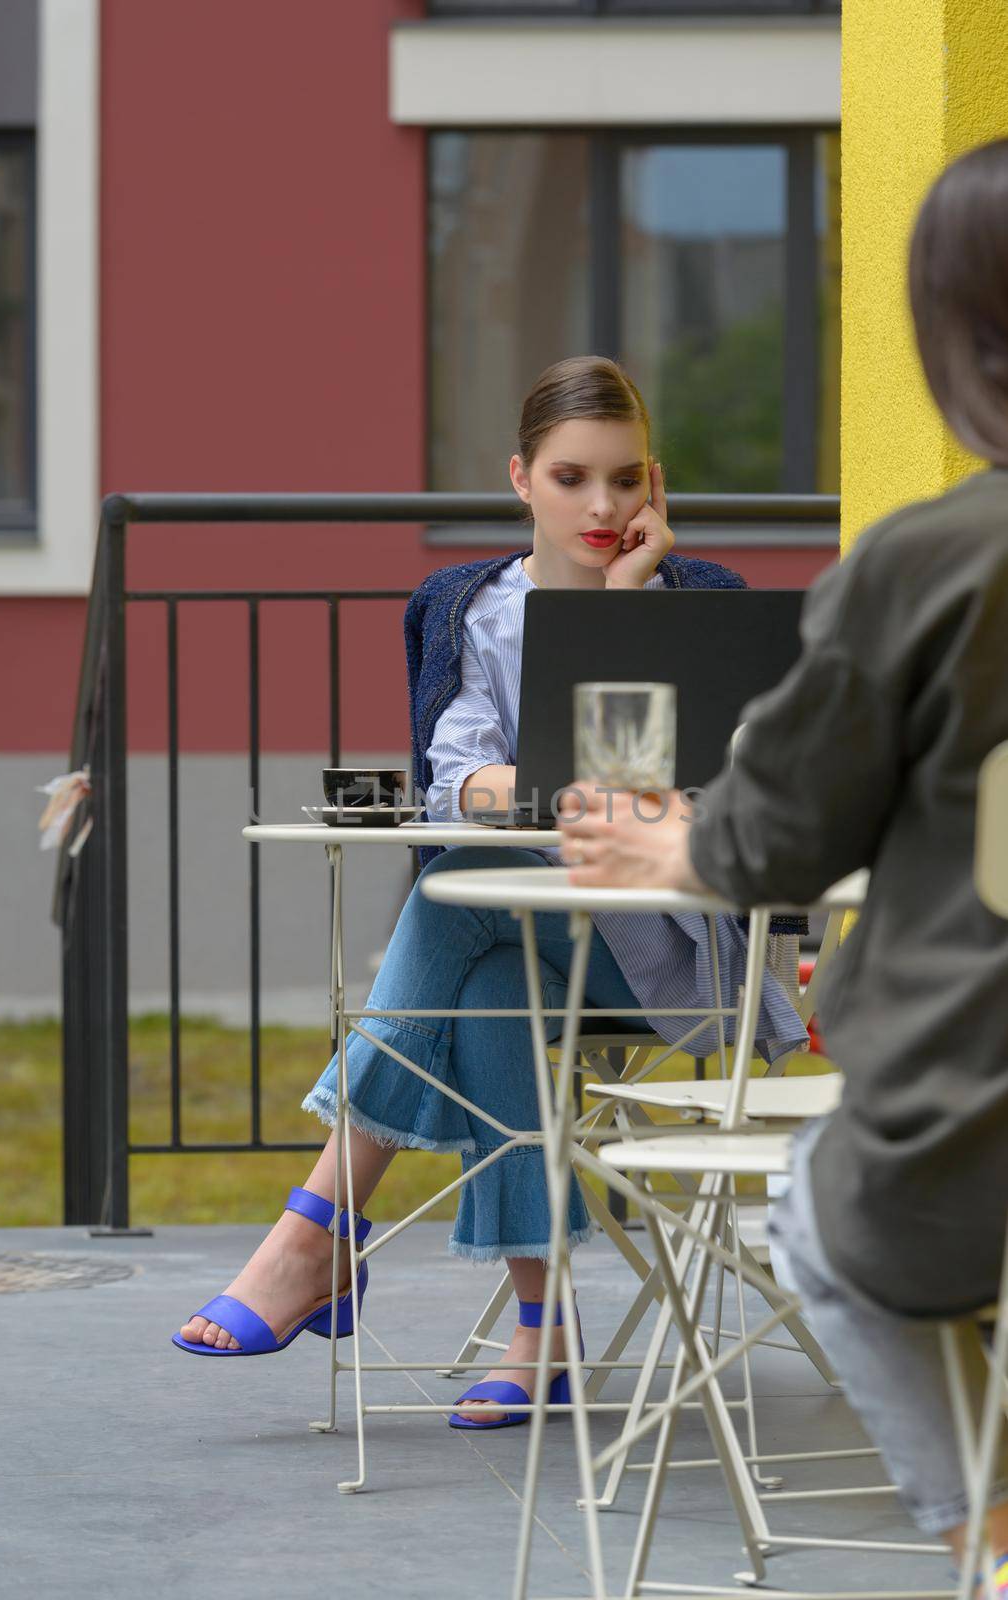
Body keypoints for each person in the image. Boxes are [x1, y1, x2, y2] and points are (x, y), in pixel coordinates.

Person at [172, 355, 808, 1426]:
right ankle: (541, 1334)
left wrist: (627, 611)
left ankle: (315, 1228)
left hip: (673, 952)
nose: (601, 506)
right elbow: (454, 775)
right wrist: (561, 787)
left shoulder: (703, 606)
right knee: (486, 973)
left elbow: (718, 793)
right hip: (531, 931)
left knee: (465, 886)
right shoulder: (468, 607)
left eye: (624, 479)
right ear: (522, 477)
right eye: (571, 478)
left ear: (655, 483)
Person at [556, 145, 1008, 1582]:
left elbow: (771, 843)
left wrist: (674, 842)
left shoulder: (933, 568)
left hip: (964, 1155)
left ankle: (986, 1534)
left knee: (821, 1213)